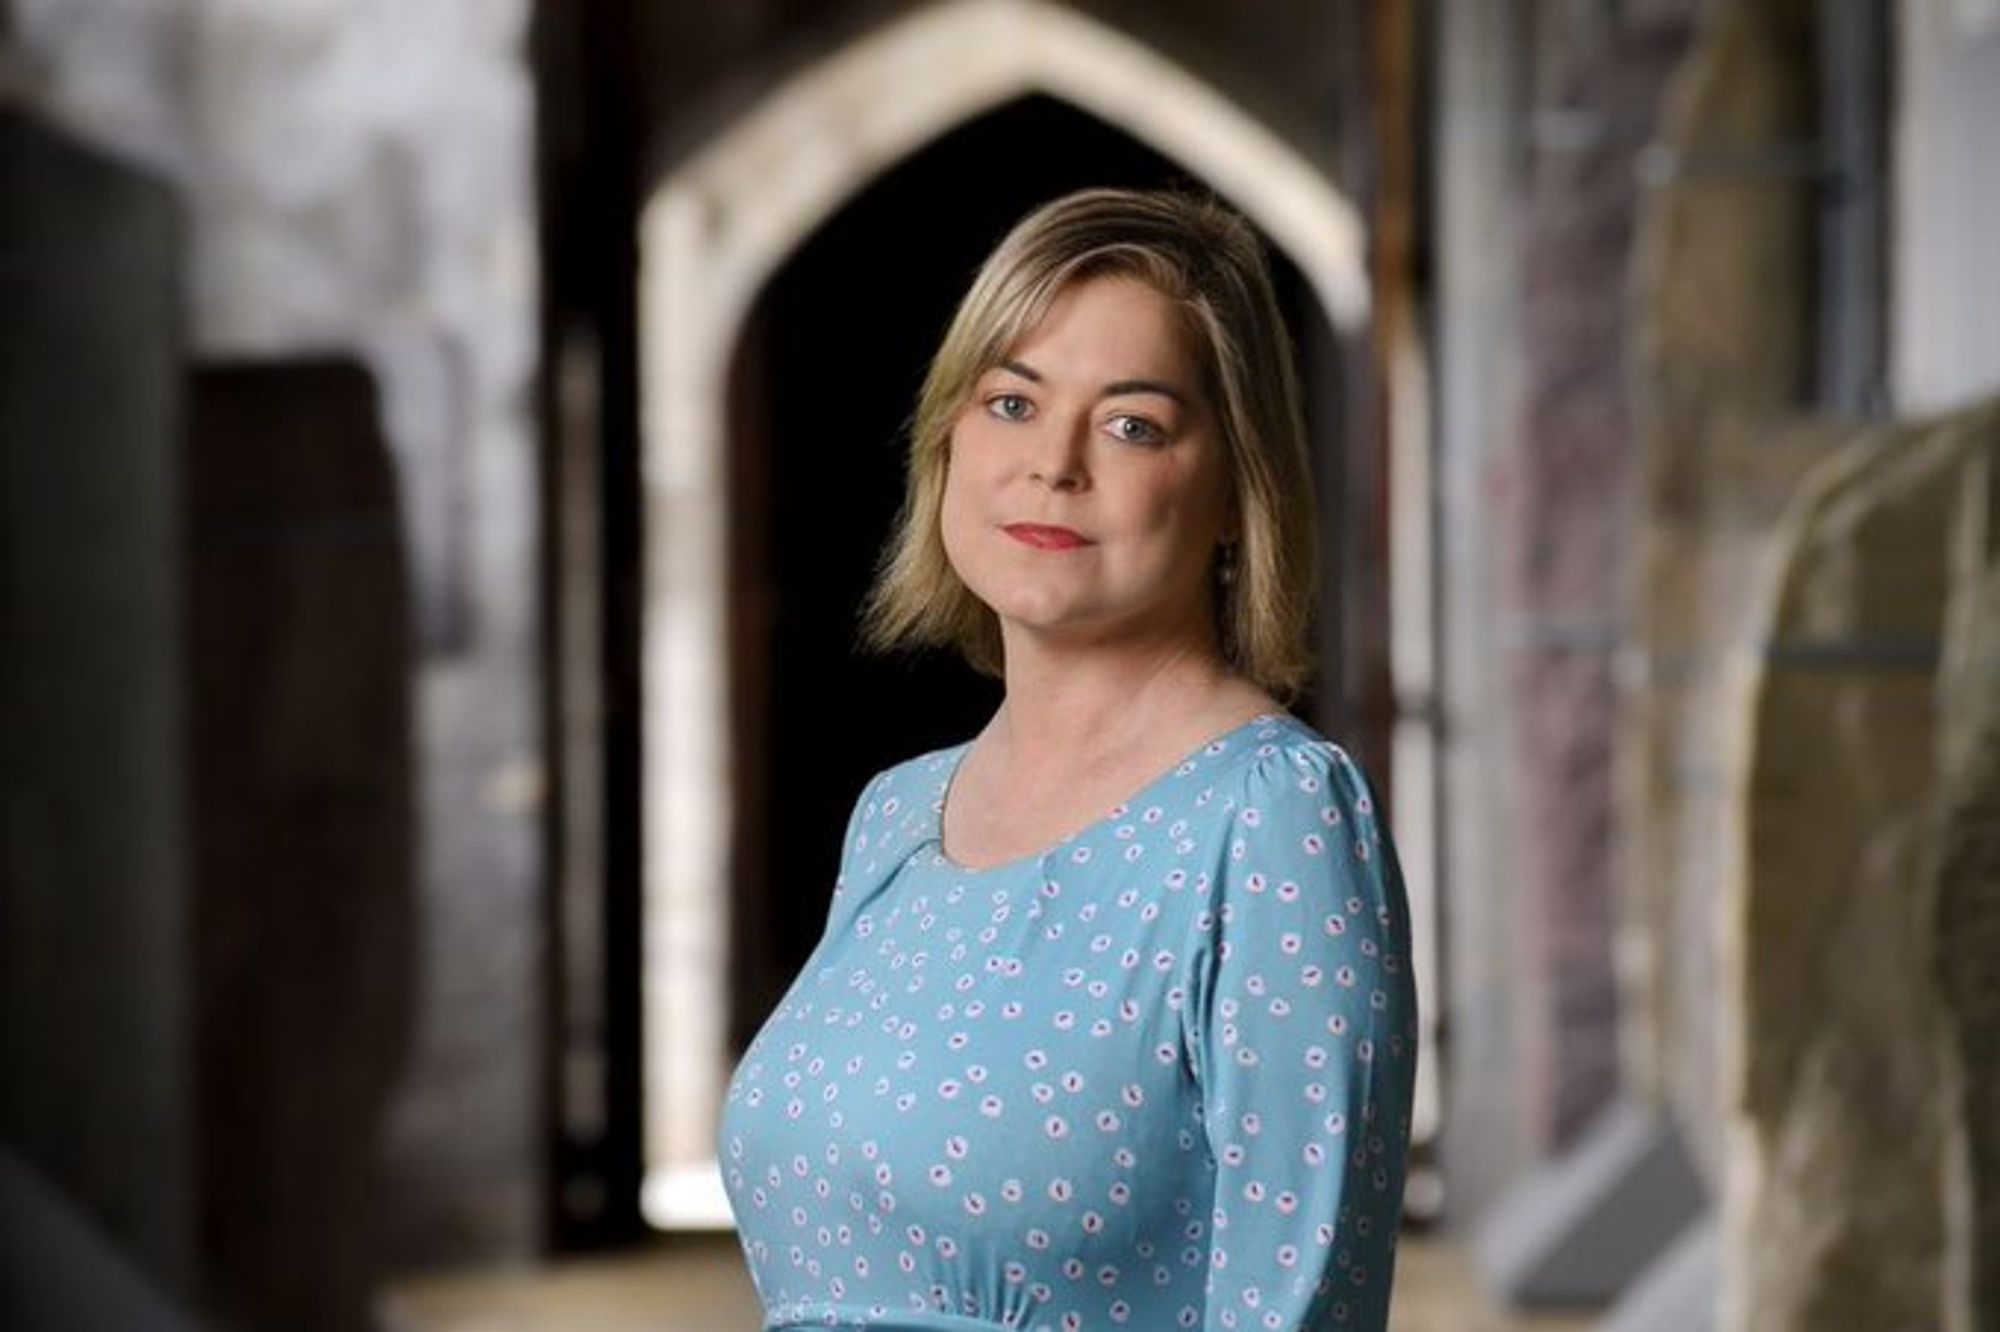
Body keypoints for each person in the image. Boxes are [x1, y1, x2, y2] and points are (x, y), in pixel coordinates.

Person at [718, 187, 1418, 1332]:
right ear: (945, 436)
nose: (1051, 463)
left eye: (1130, 423)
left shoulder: (1275, 818)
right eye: (1009, 402)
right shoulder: (896, 817)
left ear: (1237, 487)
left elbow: (1304, 1306)